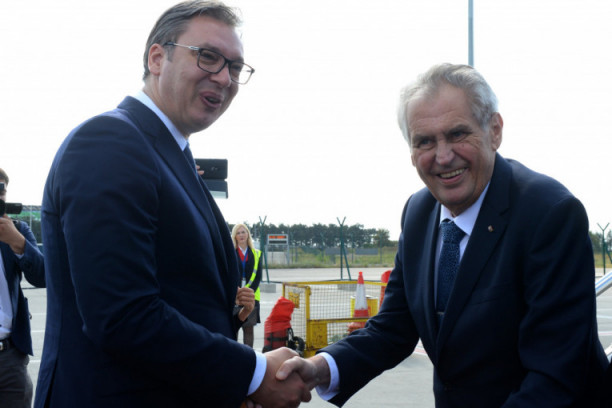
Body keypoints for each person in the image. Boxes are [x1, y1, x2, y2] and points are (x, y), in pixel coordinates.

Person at [277, 63, 608, 407]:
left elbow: (554, 375)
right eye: (425, 141)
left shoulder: (549, 214)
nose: (443, 156)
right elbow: (394, 326)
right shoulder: (419, 212)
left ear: (495, 131)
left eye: (457, 134)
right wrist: (317, 369)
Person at [34, 2, 308, 407]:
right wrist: (251, 374)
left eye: (235, 67)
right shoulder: (111, 141)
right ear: (157, 58)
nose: (225, 77)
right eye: (208, 56)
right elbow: (123, 315)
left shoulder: (170, 155)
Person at [0, 168, 45, 408]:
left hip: (9, 357)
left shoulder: (16, 229)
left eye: (1, 190)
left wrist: (18, 242)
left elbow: (43, 276)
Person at [231, 224, 263, 348]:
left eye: (243, 232)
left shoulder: (257, 253)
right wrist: (237, 293)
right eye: (238, 233)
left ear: (248, 234)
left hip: (251, 297)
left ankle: (248, 355)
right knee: (233, 329)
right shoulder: (230, 253)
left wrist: (248, 293)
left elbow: (258, 277)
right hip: (235, 297)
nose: (241, 235)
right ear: (235, 236)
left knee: (248, 329)